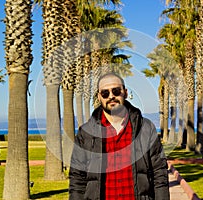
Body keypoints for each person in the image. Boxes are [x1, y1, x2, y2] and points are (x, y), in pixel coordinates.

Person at [69, 72, 170, 200]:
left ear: (125, 93)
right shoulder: (86, 133)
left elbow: (159, 173)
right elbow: (77, 179)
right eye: (105, 93)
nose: (111, 96)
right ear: (99, 97)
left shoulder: (146, 128)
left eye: (116, 91)